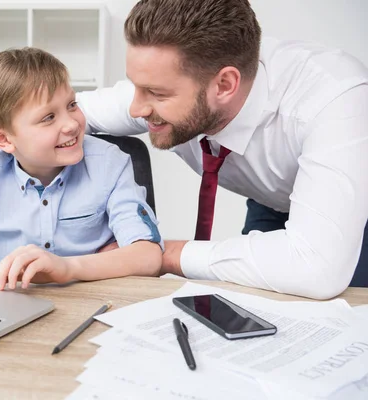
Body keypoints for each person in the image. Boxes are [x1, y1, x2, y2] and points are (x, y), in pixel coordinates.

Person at [73, 0, 368, 299]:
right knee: (256, 306)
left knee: (343, 313)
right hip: (270, 198)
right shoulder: (168, 76)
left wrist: (159, 253)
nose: (135, 108)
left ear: (225, 85)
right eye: (135, 86)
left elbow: (316, 269)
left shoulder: (336, 98)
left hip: (354, 207)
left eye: (157, 94)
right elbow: (55, 117)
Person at [0, 47, 163, 300]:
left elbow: (148, 256)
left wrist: (67, 268)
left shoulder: (109, 164)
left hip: (97, 302)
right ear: (3, 140)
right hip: (16, 305)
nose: (71, 124)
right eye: (48, 117)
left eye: (72, 104)